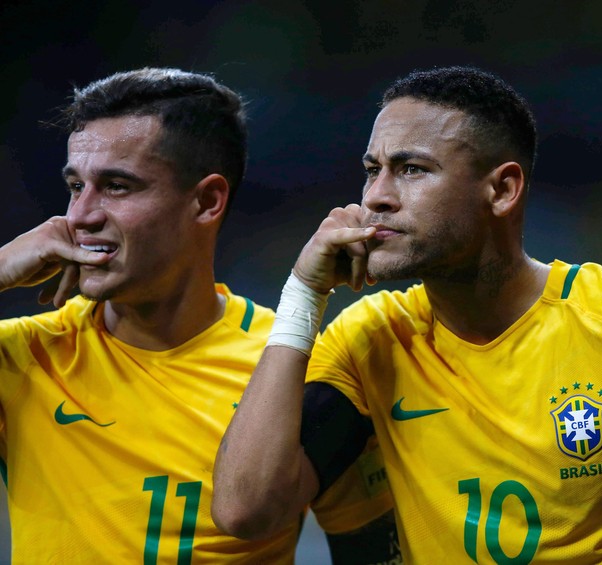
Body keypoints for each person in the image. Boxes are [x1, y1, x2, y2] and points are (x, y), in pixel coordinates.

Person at [211, 65, 602, 563]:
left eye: (411, 170)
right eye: (372, 169)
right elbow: (244, 514)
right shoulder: (370, 338)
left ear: (502, 189)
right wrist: (302, 296)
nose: (376, 197)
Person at [0, 67, 397, 563]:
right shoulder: (23, 357)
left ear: (207, 201)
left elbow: (370, 551)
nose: (80, 215)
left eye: (117, 186)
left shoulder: (299, 366)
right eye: (76, 185)